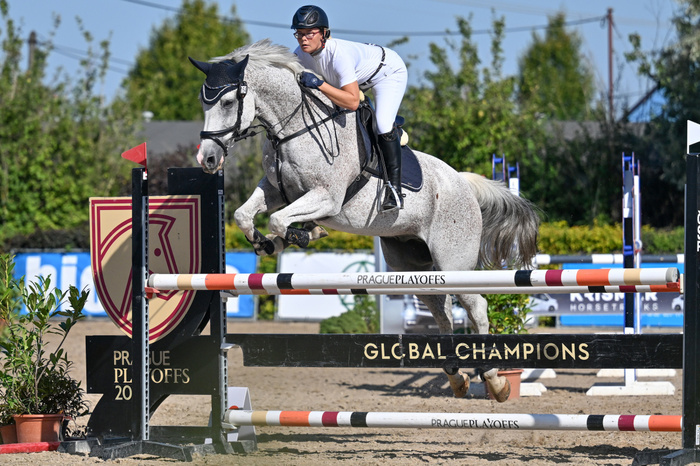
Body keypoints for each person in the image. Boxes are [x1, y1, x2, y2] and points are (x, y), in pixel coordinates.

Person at [291, 5, 408, 212]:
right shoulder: (300, 55)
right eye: (299, 34)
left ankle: (394, 191)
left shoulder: (338, 55)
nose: (303, 39)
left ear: (324, 33)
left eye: (309, 33)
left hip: (387, 73)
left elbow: (353, 102)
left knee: (382, 124)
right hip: (357, 79)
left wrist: (320, 85)